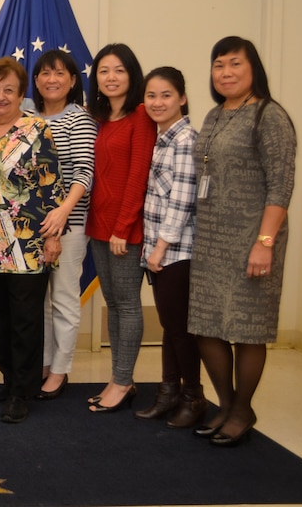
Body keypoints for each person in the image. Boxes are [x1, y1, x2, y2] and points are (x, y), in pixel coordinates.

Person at [189, 36, 296, 446]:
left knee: (248, 329)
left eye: (235, 64)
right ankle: (230, 405)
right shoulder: (215, 114)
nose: (226, 72)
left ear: (253, 69)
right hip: (211, 238)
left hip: (253, 238)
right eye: (219, 65)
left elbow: (281, 184)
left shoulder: (269, 115)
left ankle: (244, 408)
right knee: (207, 326)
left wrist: (265, 242)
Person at [0, 58, 63, 423]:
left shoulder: (36, 130)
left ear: (22, 94)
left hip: (26, 243)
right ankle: (9, 382)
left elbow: (51, 185)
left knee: (24, 320)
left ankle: (23, 392)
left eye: (9, 90)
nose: (1, 96)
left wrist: (53, 237)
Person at [85, 43, 156, 412]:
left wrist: (124, 227)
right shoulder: (96, 117)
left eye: (119, 70)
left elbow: (138, 175)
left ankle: (123, 381)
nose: (111, 78)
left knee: (127, 305)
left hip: (124, 230)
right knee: (112, 303)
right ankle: (118, 377)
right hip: (97, 226)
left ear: (132, 75)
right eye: (104, 71)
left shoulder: (141, 115)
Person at [134, 67, 204, 427]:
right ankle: (168, 394)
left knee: (180, 329)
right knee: (170, 324)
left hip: (176, 252)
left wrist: (159, 249)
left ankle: (193, 396)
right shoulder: (162, 138)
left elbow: (181, 200)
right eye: (151, 96)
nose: (157, 102)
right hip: (161, 250)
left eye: (166, 95)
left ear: (182, 98)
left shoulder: (185, 141)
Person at [28, 50, 97, 400]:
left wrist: (62, 212)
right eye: (44, 73)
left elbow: (85, 171)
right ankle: (43, 363)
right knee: (39, 302)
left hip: (69, 222)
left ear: (72, 80)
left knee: (65, 298)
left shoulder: (79, 120)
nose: (51, 79)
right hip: (31, 225)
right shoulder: (27, 114)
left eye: (59, 73)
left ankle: (60, 371)